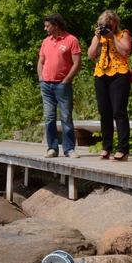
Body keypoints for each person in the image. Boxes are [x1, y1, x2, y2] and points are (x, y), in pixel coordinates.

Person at [87, 10, 132, 160]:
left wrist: (112, 37)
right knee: (104, 112)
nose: (106, 27)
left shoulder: (122, 34)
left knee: (119, 111)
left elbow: (125, 51)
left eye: (108, 24)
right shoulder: (99, 37)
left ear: (115, 23)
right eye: (103, 24)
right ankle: (106, 147)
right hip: (101, 74)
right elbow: (91, 55)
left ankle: (123, 149)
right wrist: (97, 37)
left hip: (119, 74)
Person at [38, 13, 82, 158]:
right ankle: (52, 148)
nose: (45, 29)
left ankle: (69, 149)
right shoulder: (46, 41)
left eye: (47, 26)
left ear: (56, 25)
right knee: (49, 117)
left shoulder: (71, 40)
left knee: (66, 117)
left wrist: (67, 80)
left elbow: (77, 63)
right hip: (47, 84)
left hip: (62, 85)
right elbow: (41, 61)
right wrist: (41, 78)